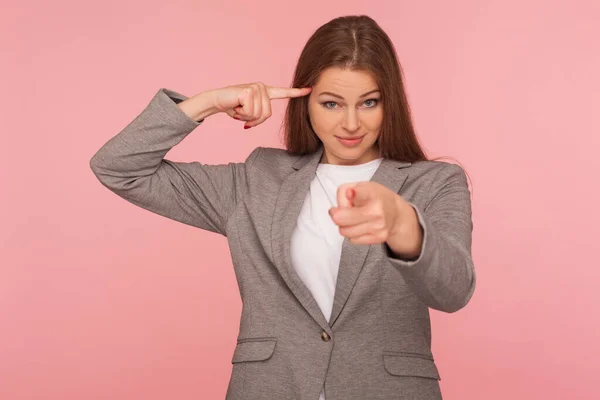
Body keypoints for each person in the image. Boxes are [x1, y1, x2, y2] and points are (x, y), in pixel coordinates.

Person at [90, 14, 475, 400]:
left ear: (390, 103)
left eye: (369, 102)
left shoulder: (435, 183)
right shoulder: (258, 179)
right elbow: (119, 168)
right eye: (332, 104)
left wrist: (404, 227)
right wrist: (207, 103)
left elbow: (454, 291)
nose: (352, 123)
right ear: (305, 103)